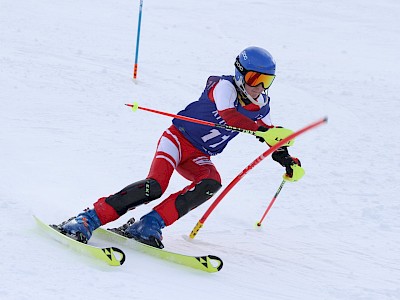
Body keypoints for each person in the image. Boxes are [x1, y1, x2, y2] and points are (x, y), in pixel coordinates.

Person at [58, 46, 305, 248]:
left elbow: (273, 139)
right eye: (255, 79)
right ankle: (86, 219)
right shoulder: (223, 87)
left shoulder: (262, 104)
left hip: (199, 154)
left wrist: (286, 159)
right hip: (177, 140)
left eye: (266, 81)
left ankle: (148, 225)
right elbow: (229, 116)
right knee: (154, 187)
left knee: (210, 183)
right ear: (240, 74)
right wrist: (266, 131)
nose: (259, 87)